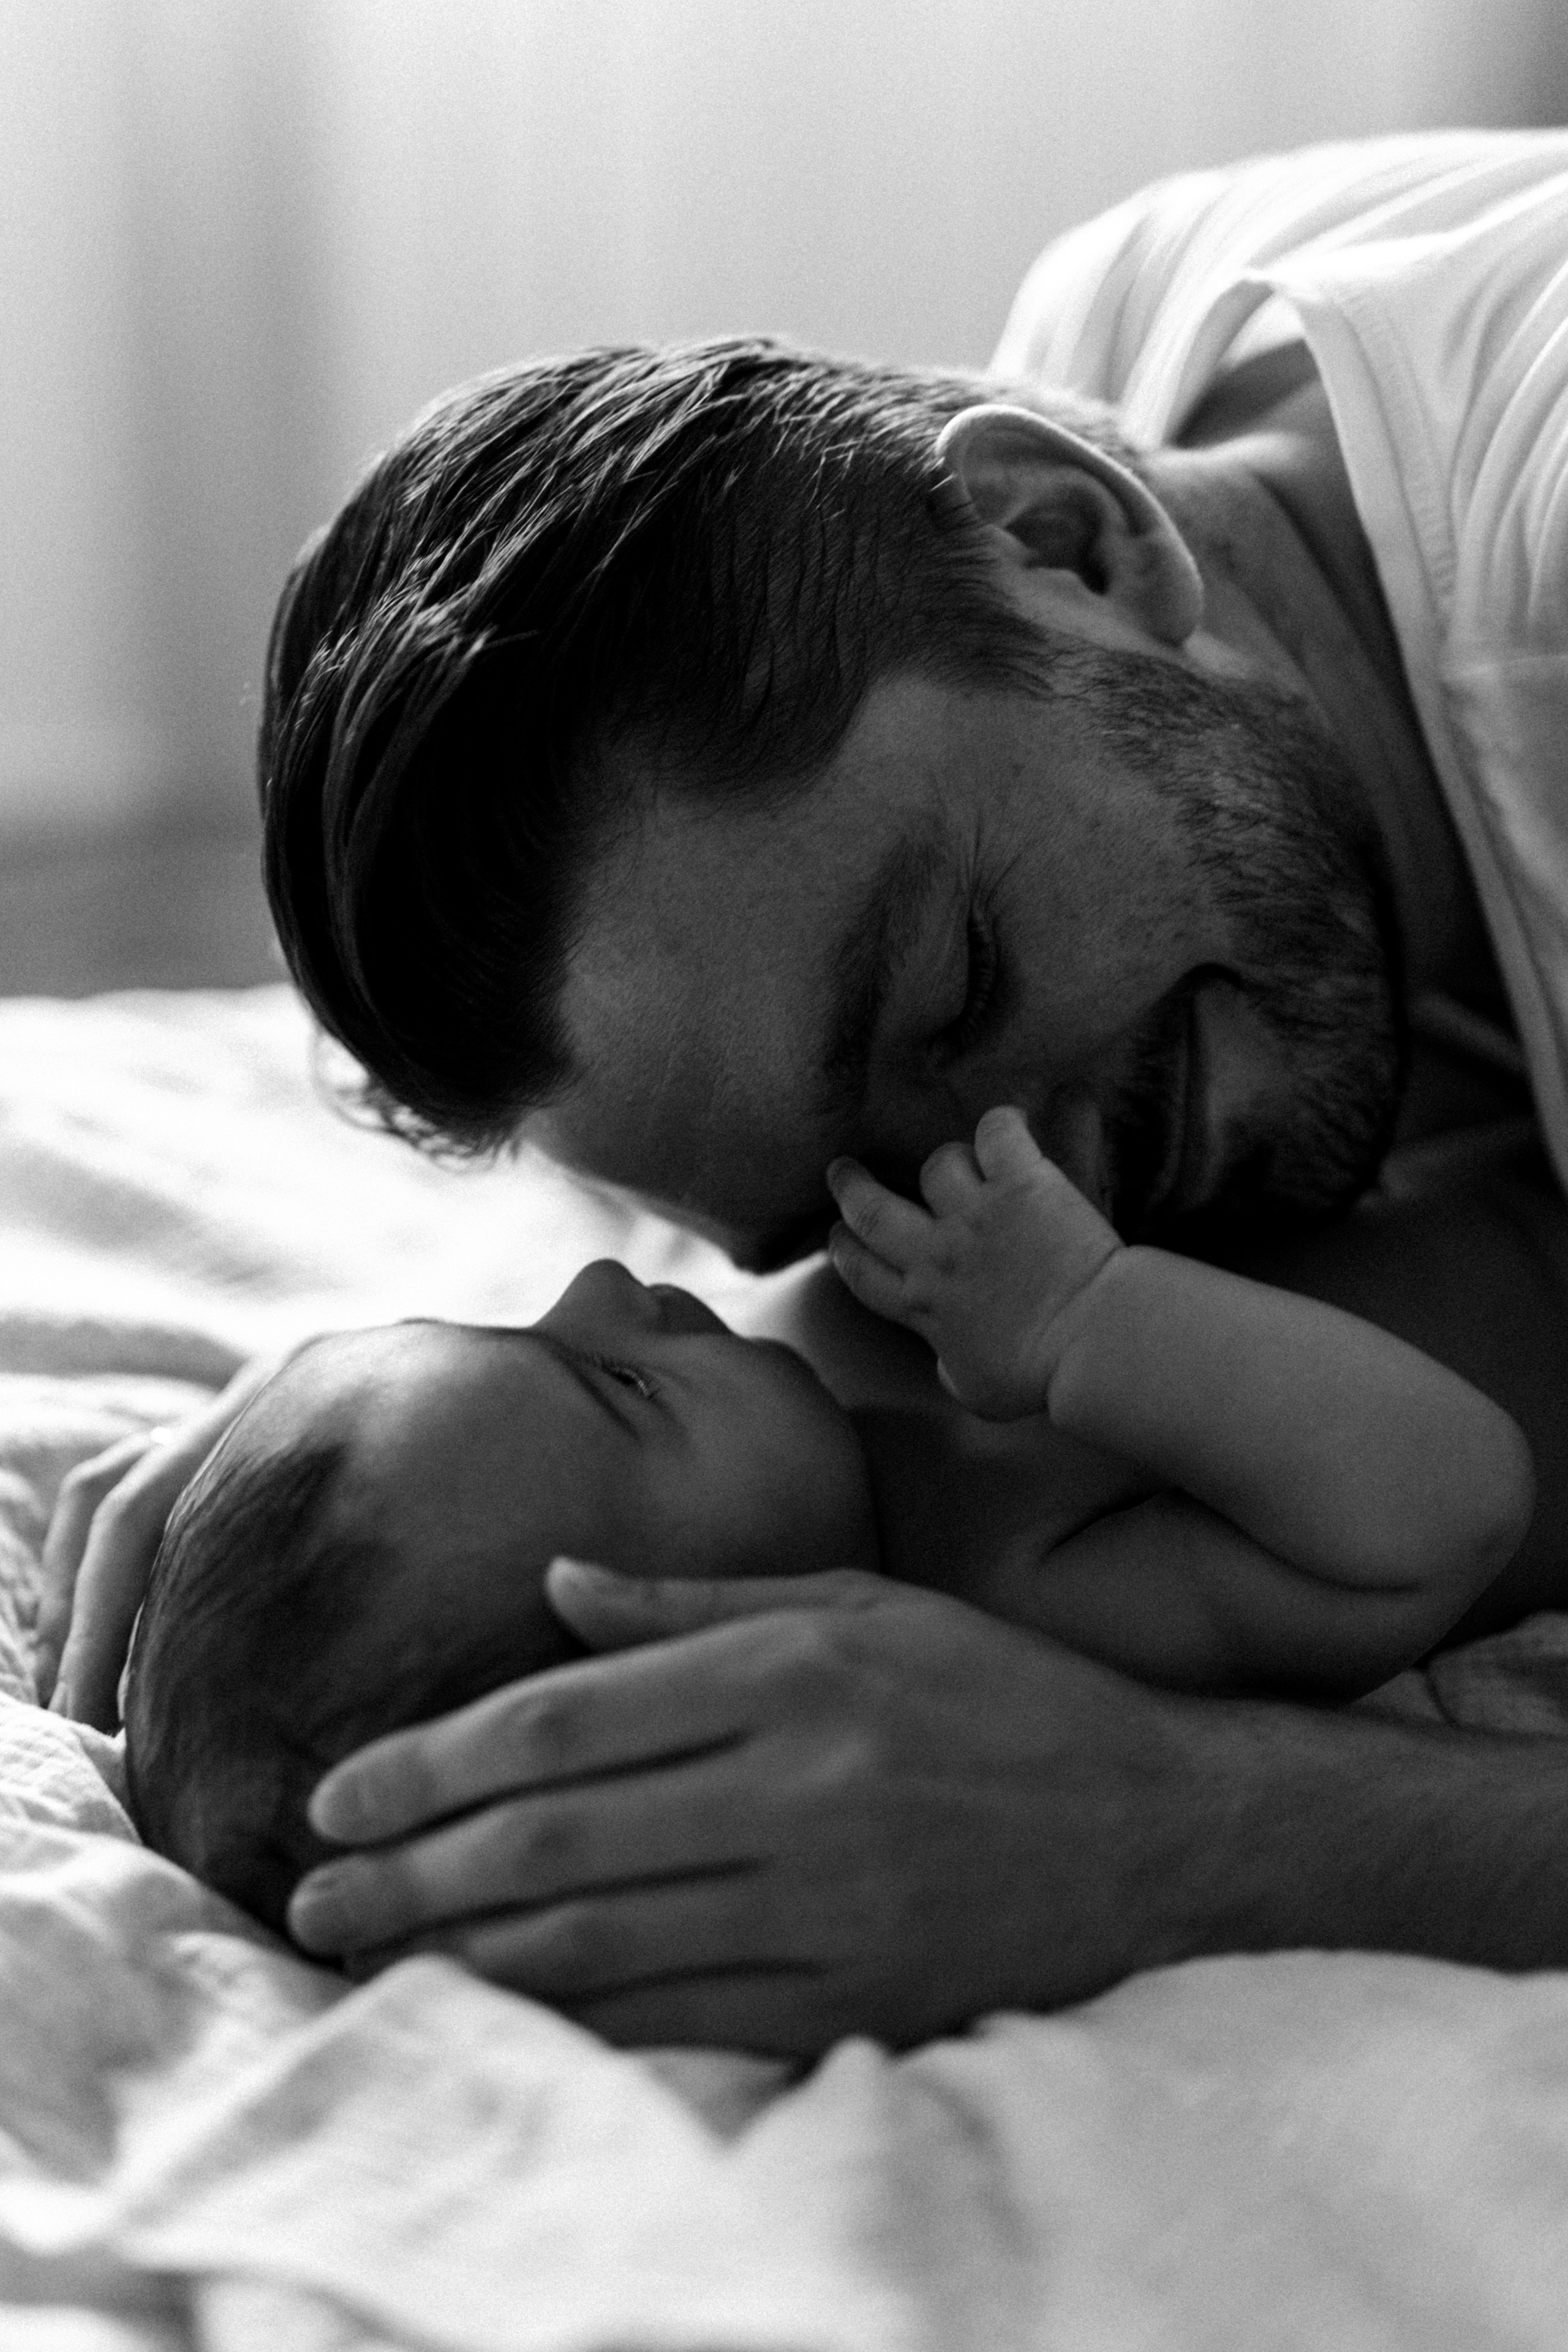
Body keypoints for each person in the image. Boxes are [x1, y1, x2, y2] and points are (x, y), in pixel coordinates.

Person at [39, 131, 1568, 2051]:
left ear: (1072, 536)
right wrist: (400, 1464)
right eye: (830, 1208)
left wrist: (1193, 1832)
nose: (1030, 1187)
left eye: (957, 988)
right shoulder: (1128, 375)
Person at [129, 1123, 1526, 2022]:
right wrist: (1085, 1313)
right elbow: (1442, 1501)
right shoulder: (1023, 1597)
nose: (606, 1289)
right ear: (711, 1654)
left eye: (516, 1325)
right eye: (616, 1383)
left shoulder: (786, 1411)